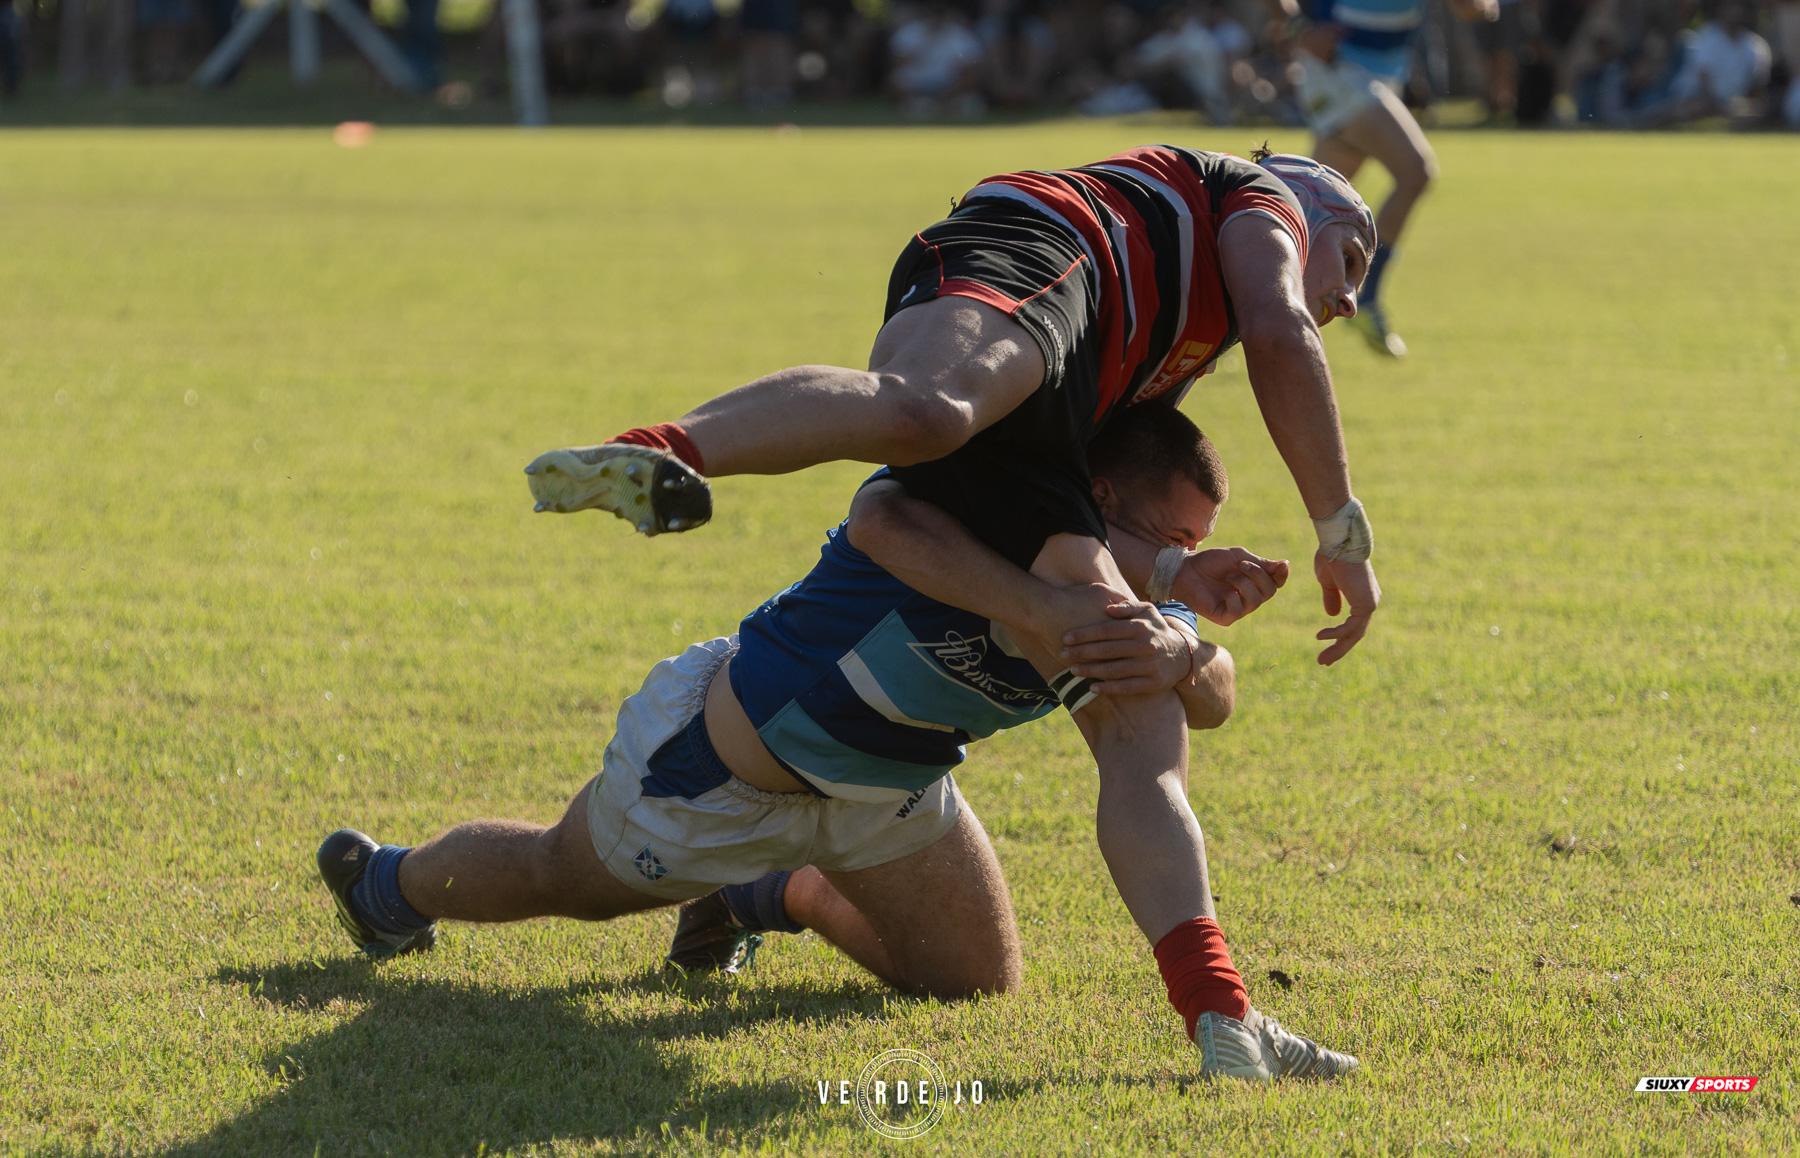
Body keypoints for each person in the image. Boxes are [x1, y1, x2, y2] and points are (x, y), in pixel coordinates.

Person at [317, 406, 1359, 1082]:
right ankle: (388, 887)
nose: (1175, 568)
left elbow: (1203, 699)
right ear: (1094, 502)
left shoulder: (1104, 602)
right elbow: (882, 519)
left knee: (974, 981)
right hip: (719, 772)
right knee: (561, 874)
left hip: (888, 795)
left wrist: (1178, 631)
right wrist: (1160, 617)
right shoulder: (964, 531)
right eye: (1168, 542)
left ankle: (766, 894)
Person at [524, 145, 1382, 672]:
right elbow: (1283, 333)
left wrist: (1169, 572)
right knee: (927, 412)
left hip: (1073, 344)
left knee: (973, 513)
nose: (1345, 299)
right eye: (1347, 260)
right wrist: (1341, 535)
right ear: (1307, 213)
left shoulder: (1178, 346)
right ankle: (655, 448)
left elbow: (1074, 496)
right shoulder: (1267, 205)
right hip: (1057, 247)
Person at [1257, 0, 1496, 357]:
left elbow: (1474, 10)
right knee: (1417, 171)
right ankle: (1366, 297)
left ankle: (1236, 298)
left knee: (1307, 215)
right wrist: (1297, 30)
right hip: (1338, 71)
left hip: (1378, 79)